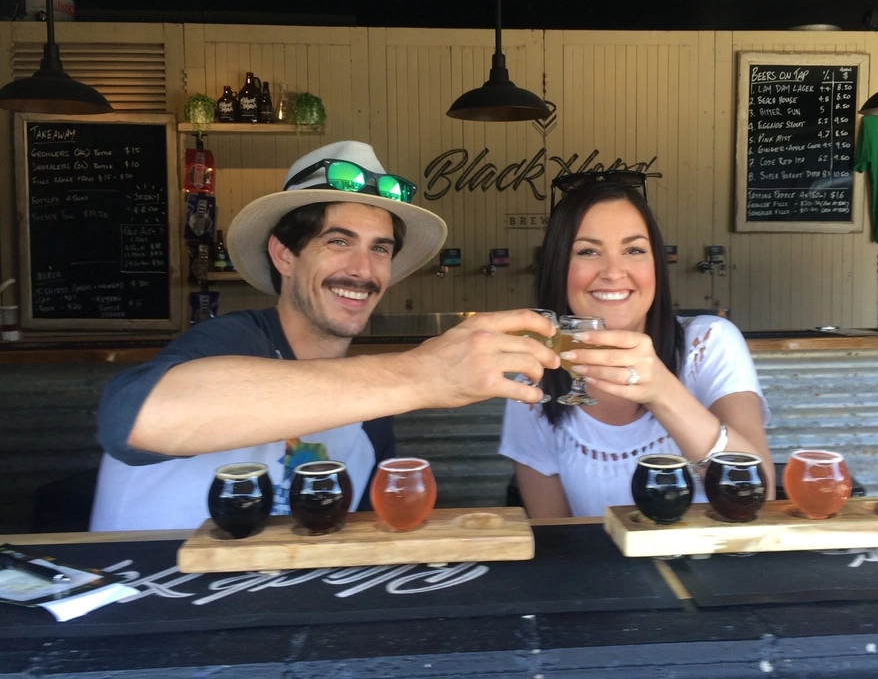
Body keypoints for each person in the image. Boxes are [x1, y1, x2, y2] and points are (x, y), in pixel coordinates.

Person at [91, 141, 559, 531]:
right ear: (284, 256)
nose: (362, 270)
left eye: (380, 249)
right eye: (338, 242)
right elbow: (130, 419)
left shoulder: (372, 404)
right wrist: (421, 374)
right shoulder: (233, 340)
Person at [499, 174, 772, 518]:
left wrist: (662, 391)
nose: (614, 272)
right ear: (558, 267)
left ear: (656, 263)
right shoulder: (533, 381)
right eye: (588, 251)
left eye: (633, 250)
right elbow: (557, 539)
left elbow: (759, 491)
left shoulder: (710, 343)